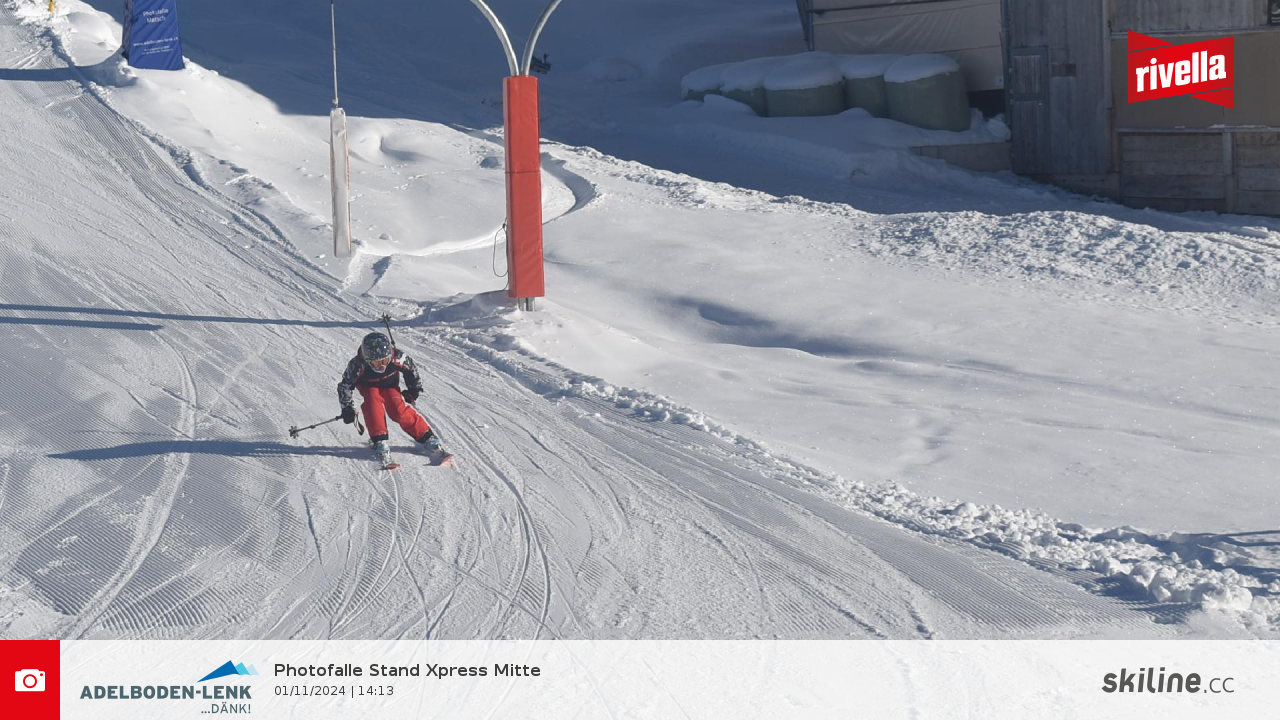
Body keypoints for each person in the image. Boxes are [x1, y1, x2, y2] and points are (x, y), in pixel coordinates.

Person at [337, 332, 445, 462]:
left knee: (398, 410)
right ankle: (379, 440)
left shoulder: (397, 357)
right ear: (367, 360)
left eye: (384, 361)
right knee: (373, 402)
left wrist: (413, 389)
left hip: (390, 385)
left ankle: (427, 436)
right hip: (368, 386)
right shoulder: (357, 365)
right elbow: (345, 386)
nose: (381, 366)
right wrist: (347, 407)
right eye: (376, 363)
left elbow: (411, 369)